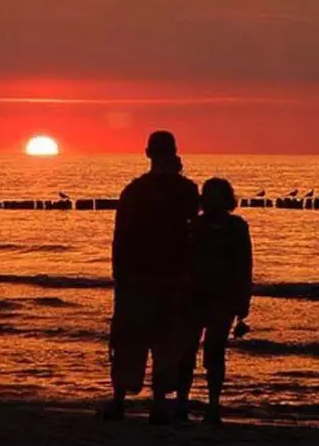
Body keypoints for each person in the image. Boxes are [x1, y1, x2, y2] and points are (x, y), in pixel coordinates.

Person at [103, 131, 200, 424]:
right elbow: (194, 232)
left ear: (147, 153)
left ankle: (120, 400)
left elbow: (120, 239)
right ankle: (159, 404)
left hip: (137, 278)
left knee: (129, 340)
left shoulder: (134, 191)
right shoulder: (187, 190)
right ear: (175, 152)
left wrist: (119, 276)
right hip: (175, 276)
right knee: (168, 343)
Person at [176, 178, 252, 425]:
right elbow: (183, 261)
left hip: (223, 299)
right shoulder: (193, 226)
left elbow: (244, 265)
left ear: (227, 199)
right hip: (194, 297)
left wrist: (243, 303)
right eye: (207, 195)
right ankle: (182, 403)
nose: (211, 200)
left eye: (216, 195)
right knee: (187, 352)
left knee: (215, 353)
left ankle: (213, 406)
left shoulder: (237, 227)